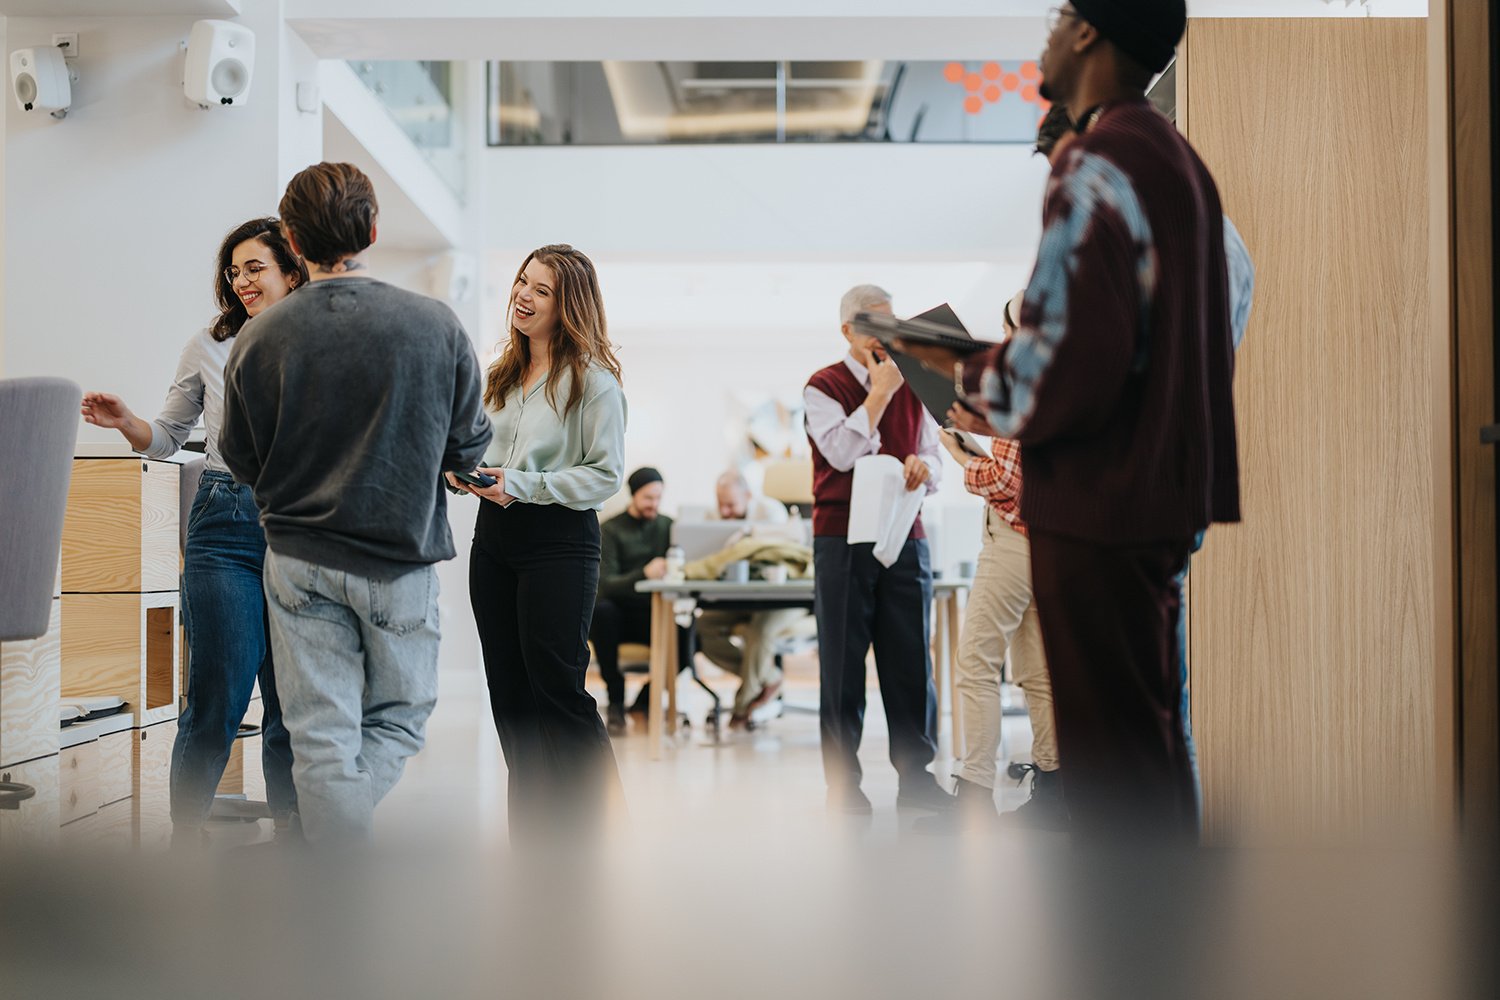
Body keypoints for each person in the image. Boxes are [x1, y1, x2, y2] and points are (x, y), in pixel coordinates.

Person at [905, 0, 1240, 843]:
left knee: (1111, 763)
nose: (1046, 36)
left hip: (1098, 502)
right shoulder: (1176, 163)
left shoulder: (1095, 162)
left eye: (1057, 17)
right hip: (1157, 495)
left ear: (1088, 32)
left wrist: (957, 372)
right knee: (1149, 744)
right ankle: (1167, 945)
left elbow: (1067, 374)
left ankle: (1130, 951)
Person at [219, 163, 492, 844]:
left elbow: (242, 460)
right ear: (372, 230)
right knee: (399, 717)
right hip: (397, 559)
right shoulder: (435, 326)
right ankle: (337, 865)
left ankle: (332, 875)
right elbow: (469, 449)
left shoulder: (259, 337)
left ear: (290, 237)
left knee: (319, 738)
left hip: (298, 561)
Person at [81, 217, 306, 845]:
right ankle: (186, 835)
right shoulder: (209, 344)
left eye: (255, 268)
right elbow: (168, 438)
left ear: (293, 269)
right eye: (234, 271)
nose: (241, 282)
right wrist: (128, 422)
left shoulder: (322, 344)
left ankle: (294, 831)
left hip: (300, 527)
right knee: (220, 691)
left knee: (292, 698)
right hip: (226, 523)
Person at [454, 243, 627, 839]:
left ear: (569, 305)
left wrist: (522, 484)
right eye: (523, 282)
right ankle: (534, 832)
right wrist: (459, 470)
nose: (523, 297)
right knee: (508, 688)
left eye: (542, 290)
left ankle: (603, 827)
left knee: (557, 687)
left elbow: (605, 476)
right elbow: (480, 450)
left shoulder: (594, 384)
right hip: (494, 539)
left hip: (559, 540)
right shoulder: (500, 375)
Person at [916, 290, 1066, 835]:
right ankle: (1054, 790)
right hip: (1051, 542)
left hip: (1014, 541)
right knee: (1037, 672)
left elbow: (1007, 480)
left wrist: (961, 458)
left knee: (975, 663)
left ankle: (976, 789)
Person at [805, 284, 951, 816]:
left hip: (905, 534)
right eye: (874, 325)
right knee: (842, 665)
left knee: (912, 659)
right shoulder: (823, 385)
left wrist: (925, 468)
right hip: (841, 539)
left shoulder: (920, 381)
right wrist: (881, 393)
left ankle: (918, 780)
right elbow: (841, 454)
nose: (886, 336)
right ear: (848, 330)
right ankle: (843, 786)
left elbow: (936, 455)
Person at [694, 470, 807, 729]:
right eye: (721, 504)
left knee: (760, 632)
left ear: (748, 496)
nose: (725, 511)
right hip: (740, 599)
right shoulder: (712, 517)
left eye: (731, 504)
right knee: (703, 627)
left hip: (785, 599)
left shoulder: (772, 513)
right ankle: (769, 676)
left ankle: (742, 707)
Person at [591, 467, 695, 734]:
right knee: (602, 612)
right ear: (634, 496)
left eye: (658, 498)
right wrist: (644, 573)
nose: (654, 504)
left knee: (692, 638)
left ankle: (644, 700)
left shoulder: (668, 526)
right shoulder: (611, 530)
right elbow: (605, 585)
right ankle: (616, 701)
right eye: (649, 498)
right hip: (617, 615)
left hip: (652, 614)